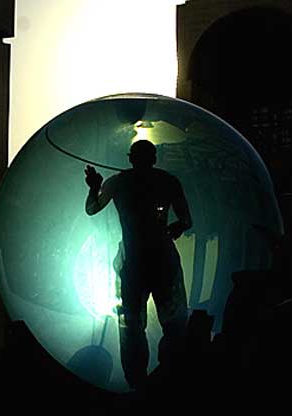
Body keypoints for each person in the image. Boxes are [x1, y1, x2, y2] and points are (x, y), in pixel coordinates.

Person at [84, 140, 192, 389]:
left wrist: (94, 187)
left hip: (134, 264)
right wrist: (178, 226)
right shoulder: (168, 181)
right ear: (154, 158)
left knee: (133, 327)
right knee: (169, 324)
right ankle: (170, 379)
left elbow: (92, 208)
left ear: (130, 158)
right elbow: (186, 219)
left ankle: (140, 384)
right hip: (160, 261)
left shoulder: (119, 183)